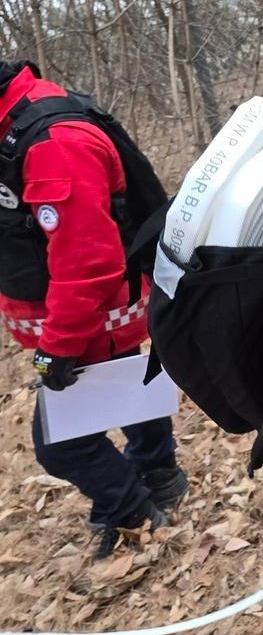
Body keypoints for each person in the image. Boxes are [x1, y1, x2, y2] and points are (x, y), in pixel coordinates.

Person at [0, 61, 186, 559]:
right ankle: (160, 472)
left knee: (60, 443)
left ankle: (131, 511)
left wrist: (57, 348)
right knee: (128, 384)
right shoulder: (16, 121)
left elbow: (87, 264)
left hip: (89, 316)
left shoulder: (52, 144)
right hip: (91, 312)